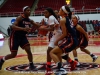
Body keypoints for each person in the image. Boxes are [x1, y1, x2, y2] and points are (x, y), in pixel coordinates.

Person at [0, 6, 40, 70]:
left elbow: (38, 26)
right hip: (15, 36)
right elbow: (13, 26)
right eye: (28, 10)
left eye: (30, 10)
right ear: (24, 11)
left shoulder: (30, 20)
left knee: (28, 50)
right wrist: (23, 29)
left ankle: (31, 65)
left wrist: (45, 24)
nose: (29, 12)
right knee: (13, 54)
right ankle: (2, 60)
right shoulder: (20, 18)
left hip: (23, 37)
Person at [50, 5, 78, 74]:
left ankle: (61, 70)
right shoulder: (67, 18)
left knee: (52, 52)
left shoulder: (63, 20)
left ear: (63, 11)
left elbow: (64, 34)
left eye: (60, 10)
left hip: (71, 40)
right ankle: (72, 63)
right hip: (73, 39)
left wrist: (57, 40)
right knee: (58, 53)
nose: (59, 11)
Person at [39, 7, 62, 74]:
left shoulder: (51, 17)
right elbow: (52, 28)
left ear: (50, 13)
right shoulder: (51, 17)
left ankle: (49, 68)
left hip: (58, 34)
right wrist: (45, 27)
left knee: (50, 51)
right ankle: (70, 63)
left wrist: (43, 29)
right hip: (56, 34)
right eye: (44, 13)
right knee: (57, 52)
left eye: (46, 13)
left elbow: (51, 29)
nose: (44, 14)